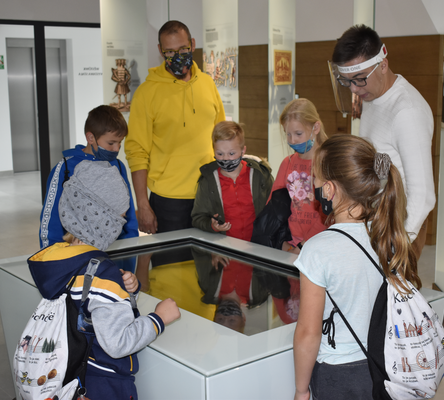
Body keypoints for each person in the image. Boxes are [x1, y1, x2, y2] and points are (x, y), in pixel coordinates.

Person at [29, 160, 181, 400]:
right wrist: (159, 318)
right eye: (121, 216)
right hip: (106, 384)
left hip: (72, 374)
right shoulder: (103, 274)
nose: (123, 224)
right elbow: (117, 343)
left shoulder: (61, 259)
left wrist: (126, 290)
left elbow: (86, 307)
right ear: (102, 219)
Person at [293, 135, 422, 400]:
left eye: (315, 178)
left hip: (339, 375)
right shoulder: (389, 236)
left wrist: (301, 390)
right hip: (386, 366)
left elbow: (308, 333)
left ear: (329, 189)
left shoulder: (318, 249)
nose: (313, 184)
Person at [331, 25, 436, 258]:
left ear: (383, 65)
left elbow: (423, 196)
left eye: (360, 79)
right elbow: (381, 160)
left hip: (399, 227)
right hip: (378, 220)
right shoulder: (373, 96)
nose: (354, 89)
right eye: (347, 81)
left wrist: (397, 245)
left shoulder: (407, 112)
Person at [125, 20, 226, 235]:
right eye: (170, 52)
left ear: (193, 44)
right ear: (160, 50)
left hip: (209, 194)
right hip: (168, 200)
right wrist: (142, 205)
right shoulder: (146, 93)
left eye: (182, 49)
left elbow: (222, 138)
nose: (177, 56)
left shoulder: (208, 84)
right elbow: (137, 152)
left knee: (211, 257)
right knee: (172, 258)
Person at [39, 105, 138, 249]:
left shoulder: (117, 165)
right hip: (77, 252)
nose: (116, 149)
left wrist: (131, 248)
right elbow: (51, 219)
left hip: (116, 251)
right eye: (111, 143)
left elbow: (129, 213)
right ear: (91, 138)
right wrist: (52, 254)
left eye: (120, 142)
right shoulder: (65, 168)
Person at [191, 120, 273, 238]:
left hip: (258, 245)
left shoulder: (260, 175)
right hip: (225, 246)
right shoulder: (207, 181)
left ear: (243, 151)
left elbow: (275, 209)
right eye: (220, 154)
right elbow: (198, 217)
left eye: (231, 153)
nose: (225, 159)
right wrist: (212, 225)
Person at [269, 98, 329, 255]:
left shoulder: (327, 163)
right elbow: (273, 206)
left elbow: (329, 214)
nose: (292, 140)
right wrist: (280, 241)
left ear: (316, 128)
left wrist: (302, 246)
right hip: (290, 244)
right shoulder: (287, 163)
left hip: (319, 246)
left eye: (298, 134)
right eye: (288, 134)